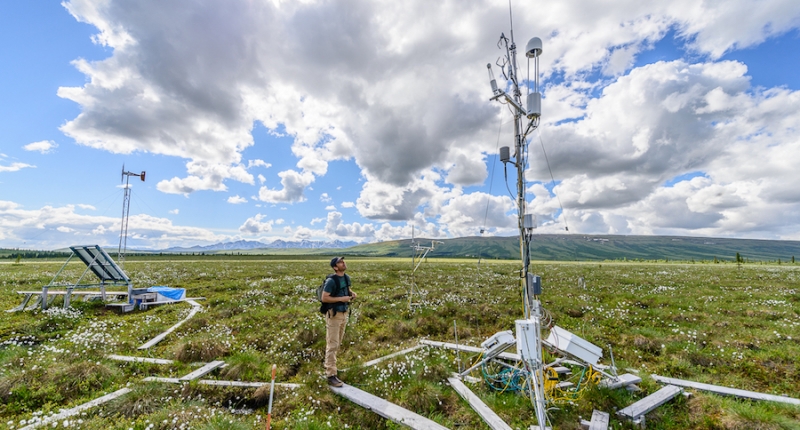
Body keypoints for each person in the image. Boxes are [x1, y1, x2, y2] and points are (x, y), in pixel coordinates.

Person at [321, 256, 357, 387]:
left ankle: (331, 366)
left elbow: (346, 291)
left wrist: (352, 294)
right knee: (333, 344)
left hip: (344, 313)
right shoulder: (331, 281)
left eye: (343, 261)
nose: (343, 263)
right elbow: (324, 298)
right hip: (334, 314)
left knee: (337, 342)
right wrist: (341, 299)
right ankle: (331, 375)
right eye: (340, 262)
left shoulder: (346, 278)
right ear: (335, 267)